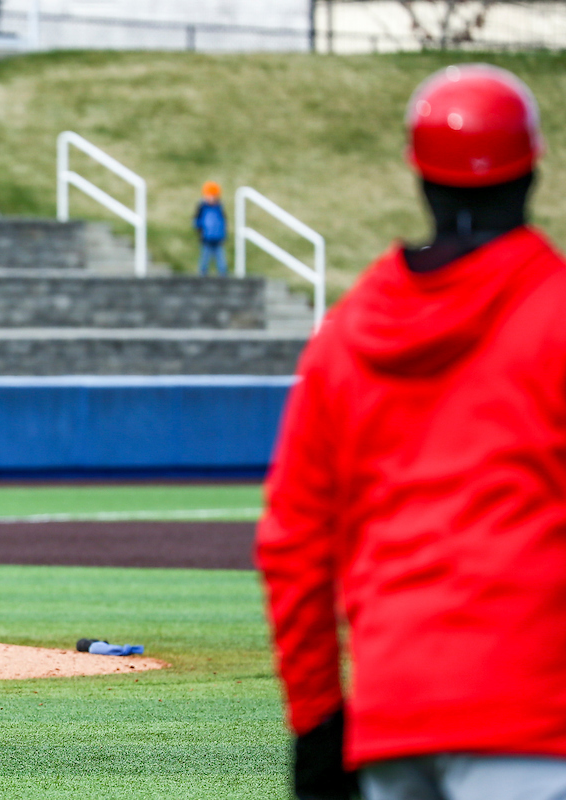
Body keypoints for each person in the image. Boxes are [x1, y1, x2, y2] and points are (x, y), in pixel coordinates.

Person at [256, 64, 566, 800]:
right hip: (536, 715)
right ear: (531, 174)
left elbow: (292, 544)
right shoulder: (554, 313)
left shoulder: (346, 334)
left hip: (393, 719)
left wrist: (317, 724)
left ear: (420, 178)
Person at [194, 181, 227, 277]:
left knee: (220, 257)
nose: (212, 198)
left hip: (218, 237)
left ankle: (223, 273)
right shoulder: (202, 207)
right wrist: (199, 229)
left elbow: (223, 222)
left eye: (214, 195)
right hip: (206, 237)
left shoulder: (220, 208)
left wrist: (223, 234)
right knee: (205, 256)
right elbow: (197, 220)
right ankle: (203, 272)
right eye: (210, 195)